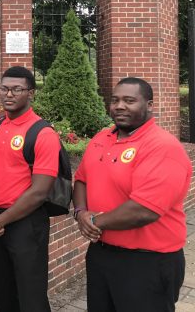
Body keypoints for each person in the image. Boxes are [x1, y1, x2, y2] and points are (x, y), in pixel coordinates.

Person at [73, 77, 192, 312]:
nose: (119, 106)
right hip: (101, 254)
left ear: (149, 105)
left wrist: (93, 221)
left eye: (129, 100)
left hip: (147, 263)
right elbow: (81, 179)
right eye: (115, 100)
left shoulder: (162, 147)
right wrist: (80, 212)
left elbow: (143, 210)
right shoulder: (101, 138)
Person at [0, 66, 60, 312]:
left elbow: (40, 191)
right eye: (4, 88)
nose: (9, 94)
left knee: (31, 296)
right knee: (4, 294)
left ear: (30, 93)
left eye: (17, 89)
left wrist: (0, 220)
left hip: (26, 223)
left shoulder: (42, 133)